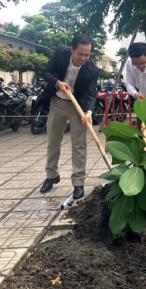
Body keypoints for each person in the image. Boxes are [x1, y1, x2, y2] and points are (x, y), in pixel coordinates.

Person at [39, 34, 100, 199]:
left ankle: (78, 183)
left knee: (79, 145)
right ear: (72, 49)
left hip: (77, 107)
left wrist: (88, 112)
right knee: (53, 141)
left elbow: (90, 94)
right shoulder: (60, 52)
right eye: (80, 53)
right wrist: (57, 83)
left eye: (87, 55)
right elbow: (46, 72)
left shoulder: (92, 70)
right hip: (57, 102)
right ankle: (51, 176)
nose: (83, 58)